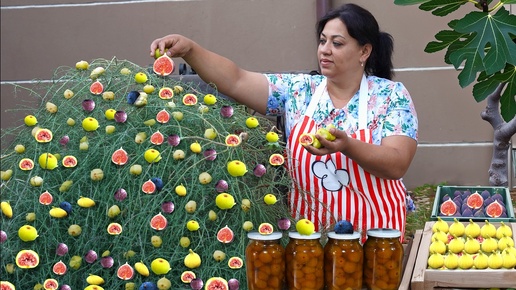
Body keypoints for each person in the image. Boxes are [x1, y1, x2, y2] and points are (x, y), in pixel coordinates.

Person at [150, 3, 418, 242]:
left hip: (376, 238)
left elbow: (396, 163)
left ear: (365, 51)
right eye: (322, 41)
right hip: (310, 238)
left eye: (337, 43)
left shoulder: (390, 96)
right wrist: (191, 49)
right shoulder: (299, 91)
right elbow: (236, 80)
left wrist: (347, 146)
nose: (325, 50)